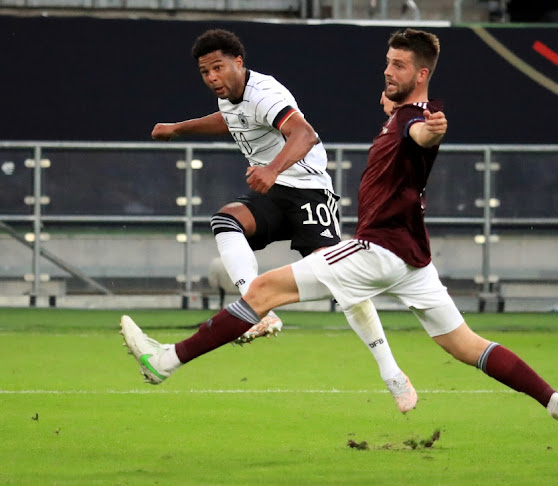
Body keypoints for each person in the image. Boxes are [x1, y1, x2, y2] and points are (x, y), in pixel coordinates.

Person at [124, 27, 558, 462]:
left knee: (262, 292)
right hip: (414, 258)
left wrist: (427, 132)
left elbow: (422, 132)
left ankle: (165, 361)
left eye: (397, 65)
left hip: (380, 250)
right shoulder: (399, 115)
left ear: (421, 73)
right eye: (387, 62)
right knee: (466, 345)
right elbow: (406, 127)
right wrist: (401, 116)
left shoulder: (417, 120)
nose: (387, 71)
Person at [150, 28, 417, 413]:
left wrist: (272, 169)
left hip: (308, 190)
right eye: (205, 72)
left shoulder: (265, 93)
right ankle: (256, 309)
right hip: (275, 193)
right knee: (227, 221)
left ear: (239, 62)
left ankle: (392, 373)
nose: (212, 78)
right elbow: (231, 121)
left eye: (218, 68)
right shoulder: (232, 97)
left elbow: (305, 135)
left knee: (347, 287)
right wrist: (179, 128)